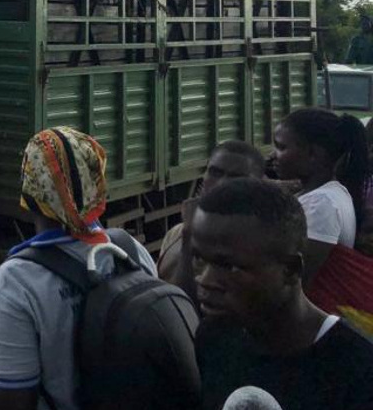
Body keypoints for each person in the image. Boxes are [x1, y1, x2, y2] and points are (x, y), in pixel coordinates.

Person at [0, 127, 159, 410]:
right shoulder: (130, 251)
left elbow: (10, 405)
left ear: (29, 194)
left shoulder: (16, 282)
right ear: (96, 182)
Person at [192, 177, 373, 409]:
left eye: (229, 266)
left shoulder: (358, 368)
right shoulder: (214, 338)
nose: (204, 279)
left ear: (290, 269)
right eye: (198, 258)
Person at [159, 140, 267, 303]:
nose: (222, 183)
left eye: (236, 177)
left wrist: (189, 236)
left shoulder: (254, 245)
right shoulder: (176, 233)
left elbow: (183, 304)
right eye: (215, 173)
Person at [272, 107, 370, 283]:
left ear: (313, 154)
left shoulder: (321, 204)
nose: (273, 156)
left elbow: (295, 281)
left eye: (281, 147)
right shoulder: (329, 194)